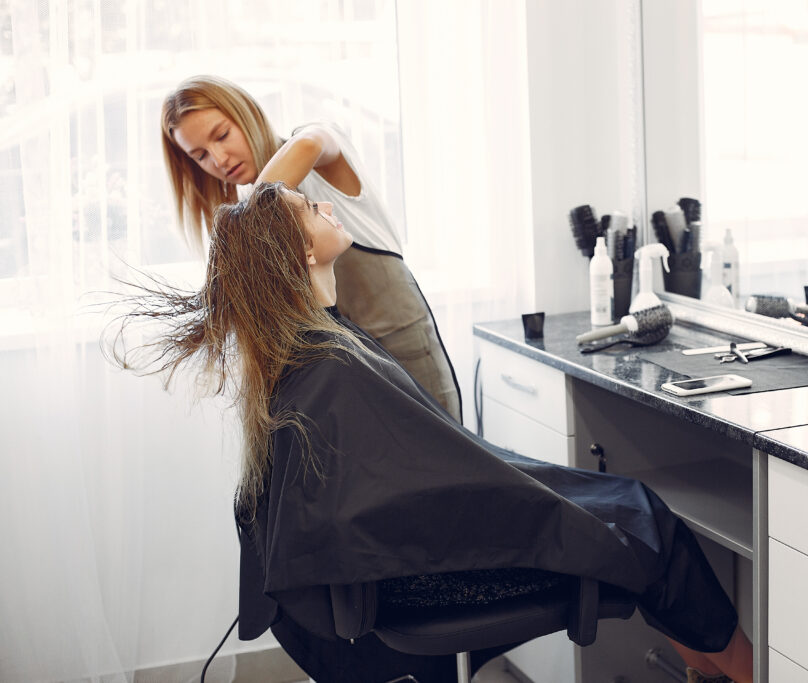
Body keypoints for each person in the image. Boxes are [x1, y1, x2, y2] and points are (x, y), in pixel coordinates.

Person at [112, 182, 753, 683]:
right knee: (649, 524)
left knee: (630, 513)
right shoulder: (329, 359)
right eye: (313, 207)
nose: (330, 207)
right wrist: (559, 513)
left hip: (400, 574)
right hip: (425, 581)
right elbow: (440, 486)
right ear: (304, 251)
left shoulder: (310, 349)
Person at [159, 74, 462, 422]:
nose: (219, 159)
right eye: (200, 156)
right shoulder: (257, 214)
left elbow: (308, 145)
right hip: (343, 372)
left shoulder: (320, 144)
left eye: (222, 135)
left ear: (247, 112)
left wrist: (243, 224)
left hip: (403, 352)